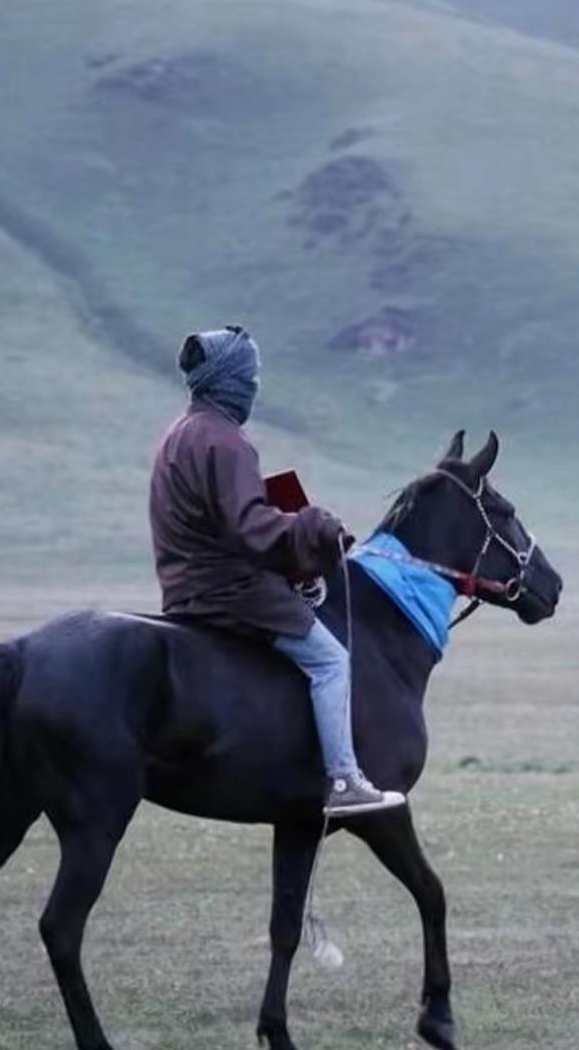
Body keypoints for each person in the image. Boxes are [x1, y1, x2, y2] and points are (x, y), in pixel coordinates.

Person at [149, 325, 405, 817]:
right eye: (251, 376)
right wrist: (314, 526)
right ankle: (344, 779)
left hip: (184, 586)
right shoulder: (226, 442)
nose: (254, 386)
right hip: (228, 590)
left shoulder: (178, 434)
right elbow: (250, 528)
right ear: (232, 380)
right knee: (330, 660)